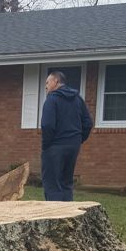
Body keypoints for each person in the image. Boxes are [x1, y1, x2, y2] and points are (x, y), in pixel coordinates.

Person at [41, 70, 93, 201]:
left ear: (56, 82)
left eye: (47, 82)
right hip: (73, 146)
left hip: (55, 146)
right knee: (66, 183)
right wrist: (77, 140)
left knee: (52, 184)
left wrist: (46, 145)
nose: (46, 86)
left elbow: (47, 125)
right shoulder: (78, 99)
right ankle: (68, 216)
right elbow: (88, 123)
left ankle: (55, 217)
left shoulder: (51, 100)